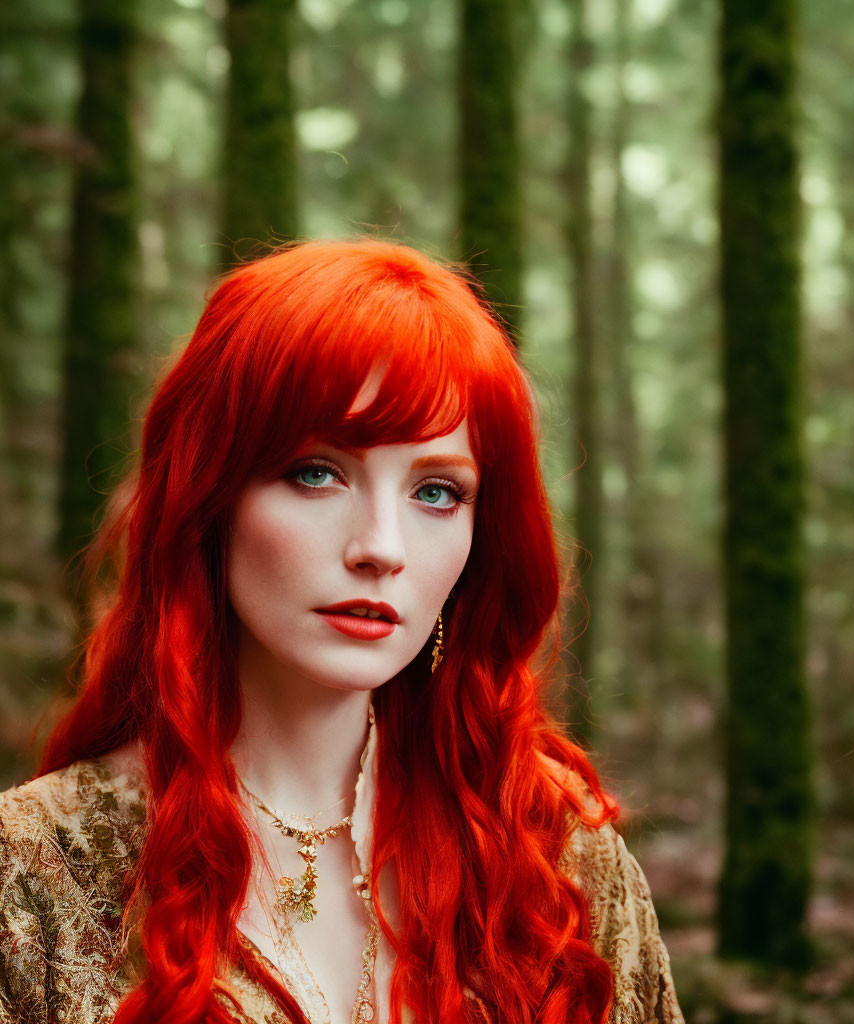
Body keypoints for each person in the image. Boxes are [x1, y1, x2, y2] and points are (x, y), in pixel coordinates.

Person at [0, 240, 683, 1024]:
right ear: (206, 498)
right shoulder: (35, 868)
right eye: (317, 472)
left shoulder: (554, 859)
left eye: (436, 491)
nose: (382, 548)